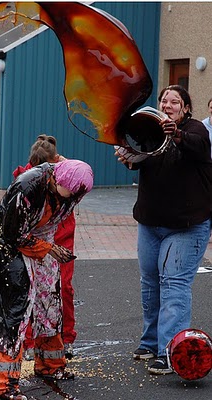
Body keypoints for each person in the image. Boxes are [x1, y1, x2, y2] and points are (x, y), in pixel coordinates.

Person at [115, 85, 212, 375]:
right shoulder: (150, 128)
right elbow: (139, 155)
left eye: (175, 101)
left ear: (185, 109)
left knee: (174, 284)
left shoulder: (195, 131)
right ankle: (150, 342)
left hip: (186, 226)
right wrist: (128, 158)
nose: (167, 104)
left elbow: (197, 147)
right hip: (150, 222)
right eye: (164, 100)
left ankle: (170, 351)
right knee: (150, 282)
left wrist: (176, 134)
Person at [0, 159, 93, 399]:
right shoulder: (27, 187)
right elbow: (12, 234)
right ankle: (4, 386)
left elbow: (53, 217)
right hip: (9, 246)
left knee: (50, 305)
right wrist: (49, 248)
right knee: (15, 313)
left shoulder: (73, 189)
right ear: (57, 181)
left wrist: (49, 248)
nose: (73, 199)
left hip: (42, 243)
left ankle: (50, 365)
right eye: (71, 193)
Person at [13, 134, 77, 361]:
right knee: (30, 290)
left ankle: (65, 338)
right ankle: (31, 341)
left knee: (62, 288)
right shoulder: (26, 180)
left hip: (61, 236)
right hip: (34, 240)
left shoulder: (65, 173)